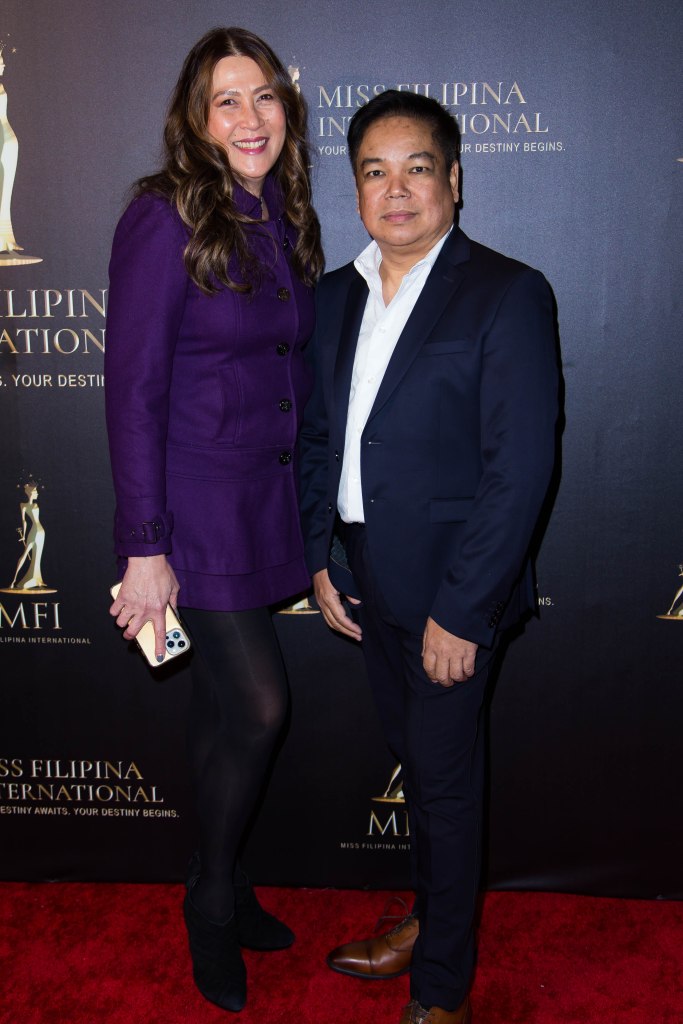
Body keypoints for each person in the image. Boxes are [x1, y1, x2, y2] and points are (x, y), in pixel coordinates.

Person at [299, 90, 558, 1024]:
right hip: (365, 577)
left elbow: (519, 470)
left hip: (453, 591)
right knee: (413, 761)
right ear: (355, 188)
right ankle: (428, 918)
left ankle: (441, 991)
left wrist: (464, 610)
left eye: (416, 168)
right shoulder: (334, 295)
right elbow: (320, 441)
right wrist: (319, 557)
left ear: (453, 178)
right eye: (375, 171)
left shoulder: (506, 292)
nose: (396, 189)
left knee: (444, 787)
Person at [105, 27, 323, 1013]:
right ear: (195, 121)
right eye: (226, 100)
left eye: (264, 95)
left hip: (262, 504)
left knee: (222, 709)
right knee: (262, 705)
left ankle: (220, 876)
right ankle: (212, 900)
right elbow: (133, 389)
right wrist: (144, 546)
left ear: (287, 109)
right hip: (194, 511)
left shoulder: (283, 215)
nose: (249, 117)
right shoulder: (164, 216)